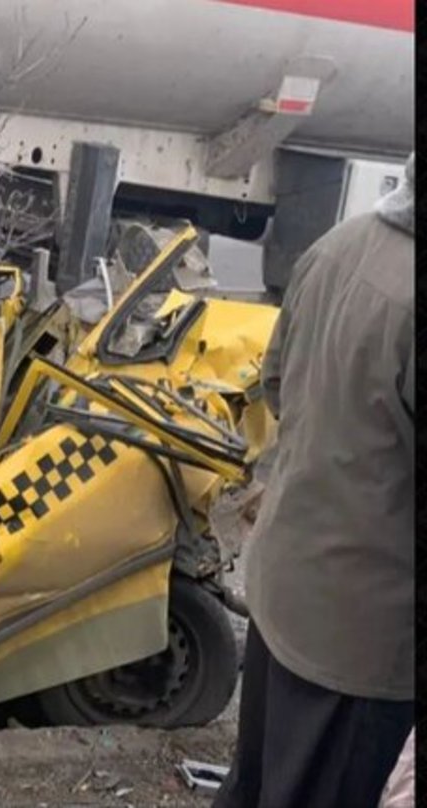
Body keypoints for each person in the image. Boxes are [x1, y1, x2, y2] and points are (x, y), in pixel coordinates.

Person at [213, 153, 415, 807]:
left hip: (286, 580)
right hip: (361, 637)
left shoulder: (339, 244)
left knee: (256, 784)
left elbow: (276, 384)